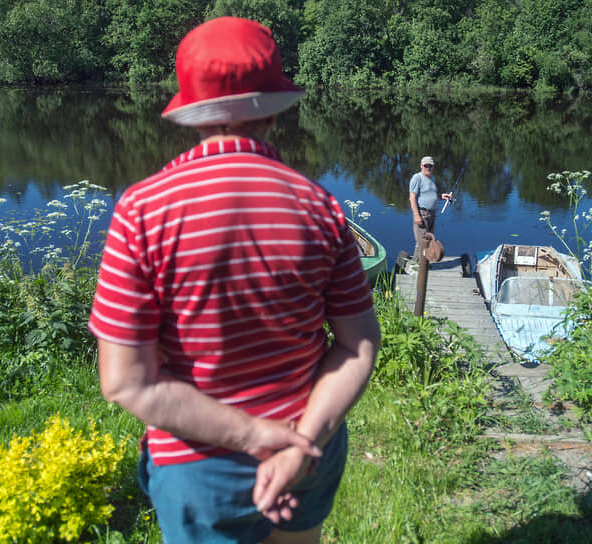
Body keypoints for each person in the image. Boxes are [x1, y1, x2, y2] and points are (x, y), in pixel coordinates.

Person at [88, 17, 381, 544]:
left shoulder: (142, 211)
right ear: (272, 108)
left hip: (200, 467)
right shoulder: (320, 207)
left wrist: (249, 435)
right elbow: (358, 345)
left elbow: (125, 381)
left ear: (193, 110)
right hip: (306, 449)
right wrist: (298, 442)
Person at [408, 156, 452, 260]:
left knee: (429, 241)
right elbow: (412, 197)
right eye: (426, 165)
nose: (428, 167)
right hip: (422, 213)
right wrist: (416, 215)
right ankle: (417, 266)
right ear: (421, 166)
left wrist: (441, 196)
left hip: (432, 214)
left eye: (430, 166)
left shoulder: (432, 178)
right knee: (421, 242)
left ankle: (424, 264)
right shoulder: (417, 178)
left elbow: (431, 194)